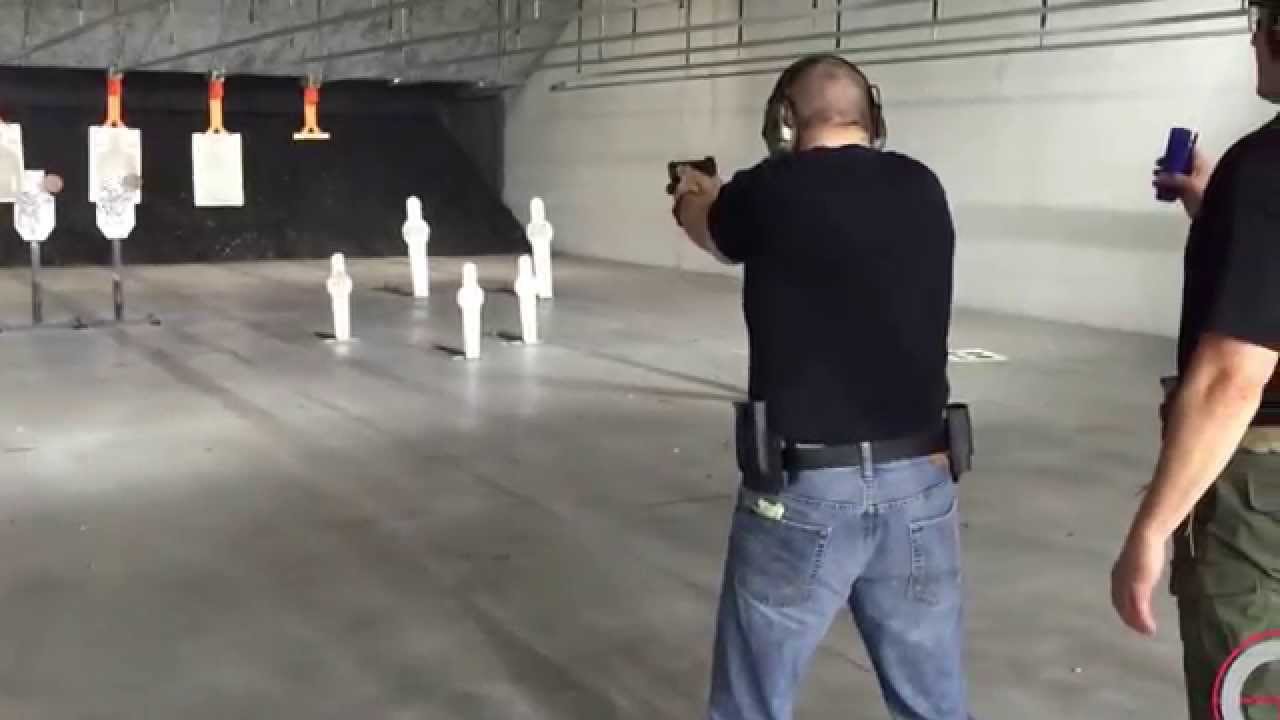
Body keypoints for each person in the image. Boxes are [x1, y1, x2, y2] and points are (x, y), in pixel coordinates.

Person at [672, 55, 971, 720]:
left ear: (784, 118)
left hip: (805, 489)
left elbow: (709, 230)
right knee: (935, 706)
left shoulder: (769, 190)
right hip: (920, 478)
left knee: (752, 704)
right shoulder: (923, 186)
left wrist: (696, 193)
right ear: (873, 116)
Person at [1111, 2, 1280, 716]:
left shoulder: (1267, 169)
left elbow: (1233, 379)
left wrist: (1151, 528)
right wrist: (1221, 215)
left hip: (1261, 504)